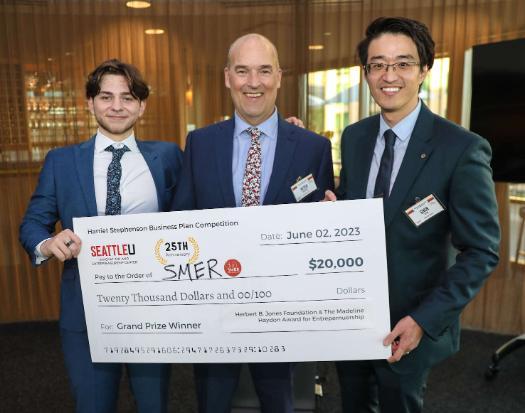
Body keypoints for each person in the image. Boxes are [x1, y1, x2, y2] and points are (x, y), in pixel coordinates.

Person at [325, 17, 500, 413]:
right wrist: (333, 220)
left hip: (411, 321)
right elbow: (360, 214)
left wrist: (422, 320)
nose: (390, 75)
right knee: (351, 403)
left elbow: (481, 252)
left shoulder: (461, 148)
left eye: (403, 63)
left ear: (424, 70)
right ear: (366, 72)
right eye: (378, 65)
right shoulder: (354, 137)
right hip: (351, 314)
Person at [173, 33, 334, 413]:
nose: (254, 82)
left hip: (281, 311)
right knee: (212, 403)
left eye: (264, 70)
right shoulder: (200, 144)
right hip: (213, 307)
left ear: (279, 76)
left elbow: (321, 230)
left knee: (280, 403)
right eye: (243, 71)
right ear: (228, 77)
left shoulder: (313, 148)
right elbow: (181, 221)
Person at [19, 59, 183, 413]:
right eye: (106, 97)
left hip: (151, 311)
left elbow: (198, 212)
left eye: (127, 97)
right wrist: (47, 243)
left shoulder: (168, 157)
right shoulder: (61, 162)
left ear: (142, 105)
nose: (117, 106)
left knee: (154, 405)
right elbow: (33, 223)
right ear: (89, 102)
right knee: (93, 405)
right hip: (86, 311)